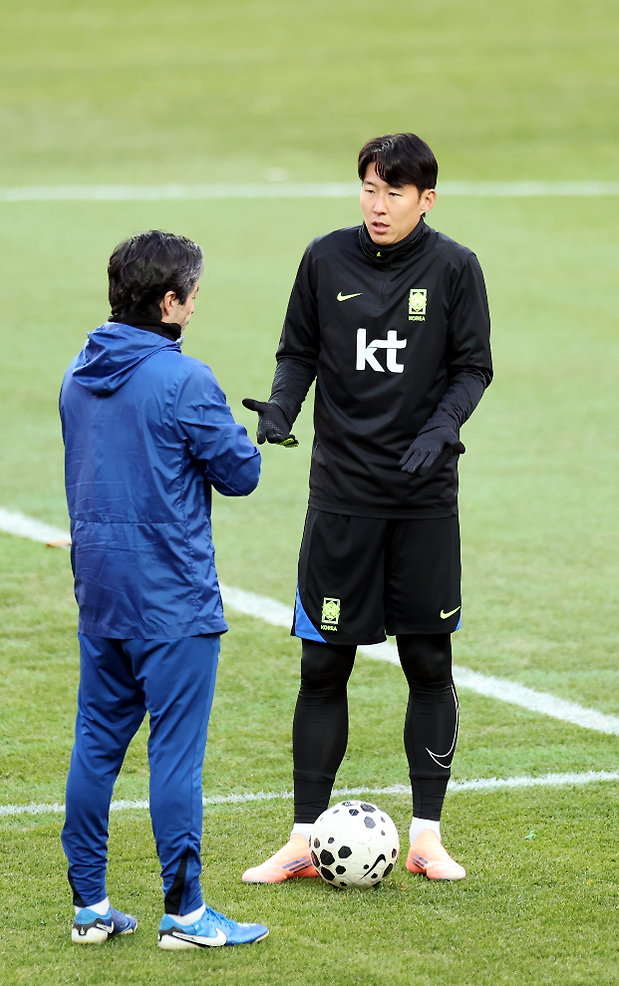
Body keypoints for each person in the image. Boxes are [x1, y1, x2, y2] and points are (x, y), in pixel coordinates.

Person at [242, 133, 492, 883]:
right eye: (368, 189)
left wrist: (444, 426)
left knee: (427, 659)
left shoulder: (455, 269)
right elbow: (298, 352)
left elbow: (472, 367)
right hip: (342, 499)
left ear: (426, 200)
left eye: (393, 193)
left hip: (421, 498)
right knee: (322, 665)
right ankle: (301, 838)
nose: (377, 206)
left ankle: (426, 837)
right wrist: (283, 407)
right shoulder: (324, 258)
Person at [60, 229, 268, 949]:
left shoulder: (75, 375)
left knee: (95, 748)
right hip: (173, 603)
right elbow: (239, 474)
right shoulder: (183, 380)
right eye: (193, 296)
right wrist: (248, 434)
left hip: (101, 596)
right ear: (170, 301)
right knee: (175, 759)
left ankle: (90, 906)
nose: (195, 308)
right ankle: (185, 914)